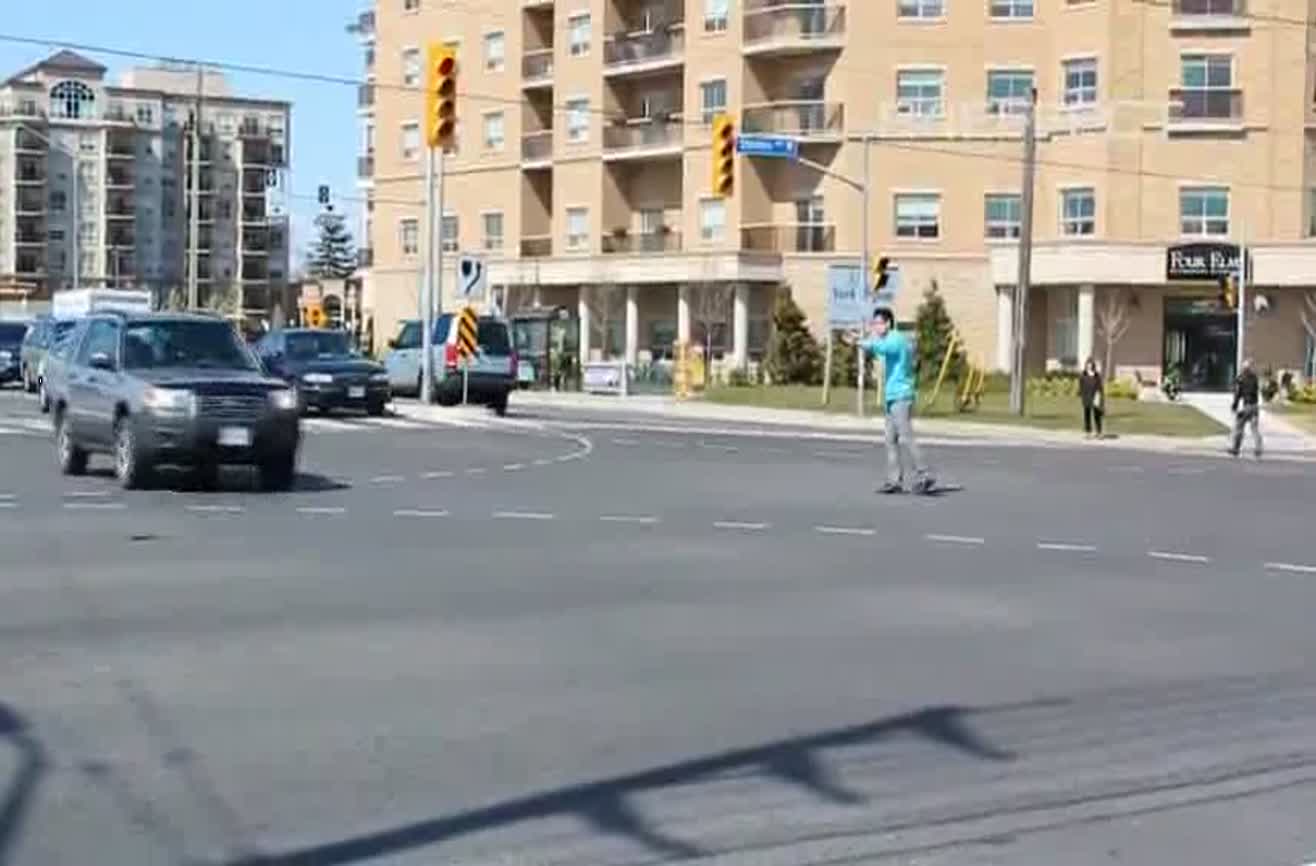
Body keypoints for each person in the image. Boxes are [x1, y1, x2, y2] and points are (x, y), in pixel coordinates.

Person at [860, 307, 936, 494]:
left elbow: (881, 348)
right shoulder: (890, 339)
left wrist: (862, 342)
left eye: (878, 323)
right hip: (892, 396)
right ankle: (895, 480)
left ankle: (925, 473)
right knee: (890, 439)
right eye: (874, 323)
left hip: (901, 396)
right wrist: (867, 341)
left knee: (906, 436)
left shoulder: (896, 339)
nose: (876, 327)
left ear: (887, 323)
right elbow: (880, 349)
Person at [1229, 357, 1263, 458]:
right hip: (1255, 406)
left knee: (1239, 427)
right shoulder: (1255, 378)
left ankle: (1235, 448)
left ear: (1244, 368)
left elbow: (1238, 394)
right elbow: (1255, 391)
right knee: (1254, 429)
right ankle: (1258, 448)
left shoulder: (1241, 378)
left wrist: (1234, 406)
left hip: (1247, 406)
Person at [1079, 357, 1105, 439]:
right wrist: (1083, 397)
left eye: (1091, 365)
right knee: (1087, 416)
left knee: (1097, 416)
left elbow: (1100, 387)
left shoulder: (1097, 375)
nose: (1089, 366)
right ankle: (1088, 432)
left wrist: (1100, 397)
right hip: (1086, 397)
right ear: (1086, 365)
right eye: (1088, 365)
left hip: (1095, 397)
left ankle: (1099, 432)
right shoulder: (1083, 375)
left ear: (1093, 365)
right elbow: (1081, 387)